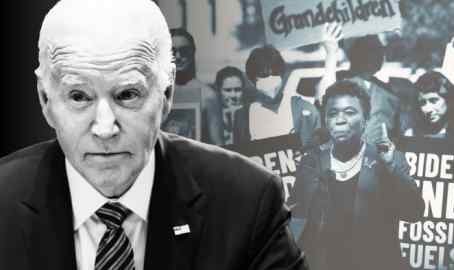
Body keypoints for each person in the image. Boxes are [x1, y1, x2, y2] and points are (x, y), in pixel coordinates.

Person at [0, 1, 308, 269]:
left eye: (128, 94)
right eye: (79, 97)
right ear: (45, 99)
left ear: (167, 93)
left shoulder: (248, 202)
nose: (105, 128)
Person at [290, 80, 424, 270]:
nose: (340, 120)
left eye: (350, 112)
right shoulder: (312, 161)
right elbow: (296, 219)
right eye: (332, 113)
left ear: (366, 120)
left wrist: (391, 165)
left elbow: (414, 212)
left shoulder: (387, 159)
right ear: (325, 120)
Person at [233, 23, 341, 147]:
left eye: (274, 74)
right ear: (253, 80)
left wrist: (331, 53)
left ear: (282, 75)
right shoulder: (243, 117)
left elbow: (325, 97)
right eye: (263, 76)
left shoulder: (302, 108)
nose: (270, 83)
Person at [338, 35, 402, 142]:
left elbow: (396, 132)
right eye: (372, 51)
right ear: (356, 54)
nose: (380, 56)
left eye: (381, 51)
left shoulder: (388, 92)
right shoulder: (339, 82)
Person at [170, 28, 223, 145]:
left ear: (192, 52)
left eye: (184, 51)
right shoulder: (157, 94)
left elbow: (218, 146)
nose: (178, 56)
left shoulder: (208, 95)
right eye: (172, 51)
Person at [404, 70, 454, 140]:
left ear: (449, 100)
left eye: (434, 100)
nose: (427, 109)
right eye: (422, 103)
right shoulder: (412, 135)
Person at [213, 66, 249, 145]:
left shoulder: (250, 116)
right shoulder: (211, 118)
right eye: (228, 90)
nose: (233, 95)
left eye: (237, 90)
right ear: (218, 90)